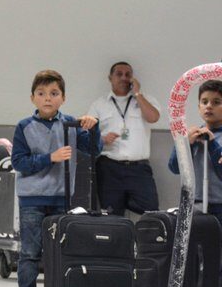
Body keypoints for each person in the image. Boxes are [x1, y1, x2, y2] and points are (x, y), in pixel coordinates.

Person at [10, 70, 99, 287]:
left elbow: (94, 149)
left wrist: (94, 127)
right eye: (41, 94)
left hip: (61, 199)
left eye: (53, 93)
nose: (47, 98)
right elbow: (19, 162)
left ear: (63, 98)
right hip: (32, 199)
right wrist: (50, 157)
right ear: (32, 98)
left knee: (60, 254)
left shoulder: (71, 124)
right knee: (29, 253)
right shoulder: (24, 127)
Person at [87, 61, 160, 215]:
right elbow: (88, 136)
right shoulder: (99, 104)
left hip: (139, 168)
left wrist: (138, 94)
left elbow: (153, 118)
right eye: (119, 74)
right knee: (112, 215)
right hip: (109, 168)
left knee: (151, 210)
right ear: (110, 78)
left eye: (128, 75)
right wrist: (102, 139)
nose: (124, 78)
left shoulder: (145, 100)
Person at [168, 80, 222, 224]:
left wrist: (212, 145)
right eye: (204, 102)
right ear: (199, 107)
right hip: (195, 204)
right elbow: (174, 168)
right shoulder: (192, 136)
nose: (209, 106)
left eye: (216, 102)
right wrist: (186, 144)